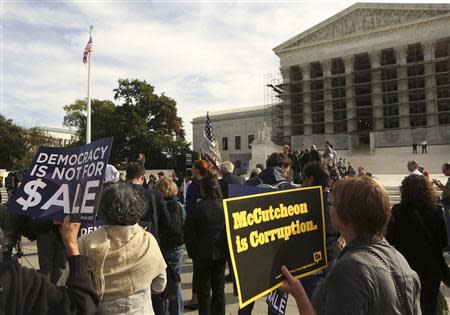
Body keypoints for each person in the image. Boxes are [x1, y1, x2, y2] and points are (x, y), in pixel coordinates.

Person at [280, 176, 421, 315]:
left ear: (345, 216)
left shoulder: (350, 270)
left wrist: (299, 294)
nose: (330, 209)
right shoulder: (399, 259)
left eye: (333, 204)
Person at [75, 182, 167, 314]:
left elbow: (70, 283)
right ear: (137, 206)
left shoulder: (86, 243)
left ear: (104, 208)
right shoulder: (148, 240)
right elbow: (159, 285)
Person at [0, 216, 100, 314]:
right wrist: (51, 223)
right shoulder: (18, 279)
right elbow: (82, 306)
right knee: (46, 274)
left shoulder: (17, 278)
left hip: (61, 243)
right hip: (45, 238)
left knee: (60, 273)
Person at [387, 174, 447, 315]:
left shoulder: (397, 211)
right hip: (432, 268)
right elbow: (444, 242)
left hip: (406, 267)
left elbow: (390, 241)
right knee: (429, 307)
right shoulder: (437, 211)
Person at [184, 174, 227, 315]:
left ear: (203, 190)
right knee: (219, 290)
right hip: (220, 254)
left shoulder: (197, 208)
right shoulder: (225, 207)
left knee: (204, 293)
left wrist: (193, 254)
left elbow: (188, 235)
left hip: (202, 255)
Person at [300, 162, 339, 297]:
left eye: (303, 178)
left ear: (310, 180)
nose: (302, 182)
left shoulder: (307, 203)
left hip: (315, 262)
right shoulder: (334, 199)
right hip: (332, 255)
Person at [154, 178, 186, 315]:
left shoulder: (164, 206)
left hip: (166, 247)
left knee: (163, 283)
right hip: (177, 247)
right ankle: (176, 311)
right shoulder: (178, 205)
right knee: (175, 281)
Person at [184, 159, 210, 310]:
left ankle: (197, 299)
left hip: (200, 230)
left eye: (193, 167)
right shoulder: (197, 184)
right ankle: (198, 298)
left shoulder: (195, 186)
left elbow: (190, 208)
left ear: (198, 169)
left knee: (200, 268)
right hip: (207, 229)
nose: (191, 170)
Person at [126, 162, 171, 242]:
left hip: (124, 241)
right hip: (149, 240)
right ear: (142, 177)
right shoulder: (155, 194)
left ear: (126, 177)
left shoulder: (116, 194)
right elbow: (166, 220)